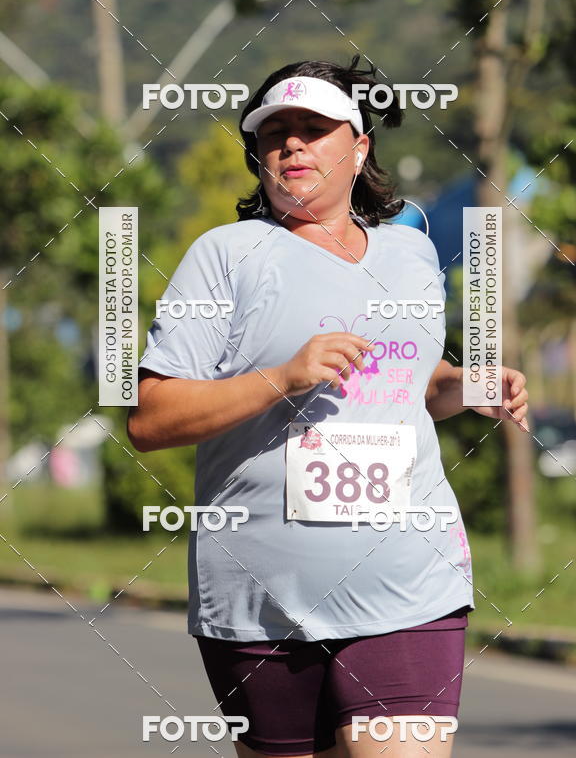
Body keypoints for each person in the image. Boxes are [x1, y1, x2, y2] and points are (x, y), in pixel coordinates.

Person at [128, 55, 529, 758]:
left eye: (313, 129)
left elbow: (412, 387)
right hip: (259, 599)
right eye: (275, 133)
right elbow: (151, 419)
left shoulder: (410, 254)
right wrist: (283, 377)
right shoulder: (225, 256)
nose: (292, 145)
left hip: (409, 580)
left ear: (360, 146)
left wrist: (468, 386)